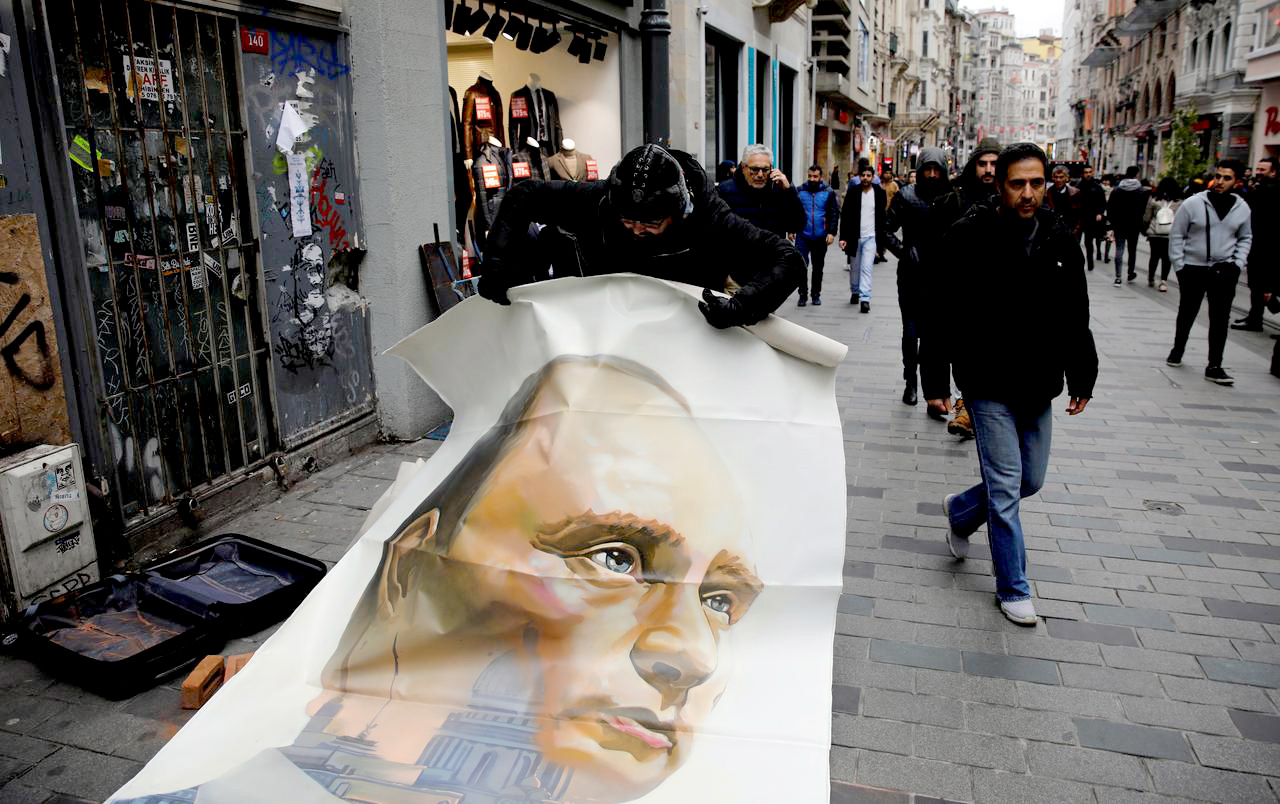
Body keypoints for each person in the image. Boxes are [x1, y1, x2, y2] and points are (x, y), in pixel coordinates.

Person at [922, 143, 1098, 626]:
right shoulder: (969, 235)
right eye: (1017, 183)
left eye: (1036, 183)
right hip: (987, 380)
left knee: (1029, 481)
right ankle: (1013, 587)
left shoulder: (1059, 236)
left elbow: (1075, 313)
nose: (1028, 193)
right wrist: (934, 378)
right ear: (999, 185)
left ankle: (961, 511)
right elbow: (938, 310)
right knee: (1004, 489)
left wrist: (1082, 374)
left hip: (1038, 381)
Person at [477, 143, 802, 329]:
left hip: (682, 333)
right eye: (627, 221)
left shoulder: (711, 217)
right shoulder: (599, 198)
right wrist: (497, 266)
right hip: (608, 325)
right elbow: (525, 195)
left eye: (650, 224)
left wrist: (741, 307)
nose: (636, 230)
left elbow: (788, 259)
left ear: (678, 211)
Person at [1166, 158, 1254, 386]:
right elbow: (1177, 235)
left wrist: (1237, 263)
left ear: (1237, 181)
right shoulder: (1193, 204)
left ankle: (1214, 365)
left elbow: (1245, 237)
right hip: (1193, 268)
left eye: (1227, 178)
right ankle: (1177, 350)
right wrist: (1180, 265)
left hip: (1224, 270)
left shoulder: (1242, 208)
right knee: (1187, 312)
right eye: (1218, 176)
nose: (1221, 182)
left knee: (1220, 318)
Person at [885, 147, 956, 407]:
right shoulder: (906, 195)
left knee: (935, 336)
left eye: (937, 169)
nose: (932, 174)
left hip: (942, 277)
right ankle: (910, 381)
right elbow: (886, 230)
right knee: (911, 331)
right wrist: (904, 251)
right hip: (911, 275)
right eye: (928, 169)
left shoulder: (952, 198)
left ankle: (934, 392)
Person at [716, 144, 806, 238]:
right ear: (743, 167)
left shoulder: (778, 189)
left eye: (765, 170)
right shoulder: (725, 190)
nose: (760, 174)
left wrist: (789, 191)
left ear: (771, 168)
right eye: (754, 169)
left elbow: (797, 226)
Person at [1233, 156, 1277, 332]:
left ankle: (1256, 319)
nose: (1258, 172)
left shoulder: (1269, 190)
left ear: (1273, 172)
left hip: (1265, 244)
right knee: (1257, 284)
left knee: (1260, 284)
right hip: (1259, 243)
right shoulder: (1261, 188)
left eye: (1262, 170)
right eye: (1257, 169)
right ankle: (1254, 317)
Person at [839, 161, 887, 312]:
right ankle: (855, 291)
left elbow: (882, 218)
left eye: (868, 175)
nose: (865, 178)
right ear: (860, 177)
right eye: (863, 175)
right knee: (855, 268)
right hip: (854, 237)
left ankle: (865, 299)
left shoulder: (879, 193)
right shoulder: (853, 192)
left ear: (873, 177)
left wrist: (881, 243)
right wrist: (843, 237)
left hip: (871, 238)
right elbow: (845, 215)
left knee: (867, 268)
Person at [795, 164, 841, 306]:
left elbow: (834, 213)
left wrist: (831, 232)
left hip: (820, 236)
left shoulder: (828, 192)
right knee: (801, 266)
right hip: (803, 235)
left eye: (815, 176)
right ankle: (802, 295)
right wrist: (791, 229)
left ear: (820, 177)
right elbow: (794, 211)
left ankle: (815, 294)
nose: (812, 179)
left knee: (818, 267)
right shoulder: (800, 191)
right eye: (810, 176)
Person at [1107, 165, 1150, 285]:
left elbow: (1110, 208)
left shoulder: (1117, 190)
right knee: (1132, 249)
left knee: (1119, 248)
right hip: (1134, 224)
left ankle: (1118, 276)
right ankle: (1131, 272)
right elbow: (1144, 210)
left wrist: (1112, 223)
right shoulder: (1142, 191)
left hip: (1119, 224)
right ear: (1137, 174)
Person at [1143, 177, 1183, 291]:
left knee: (1154, 256)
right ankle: (1163, 281)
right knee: (1167, 258)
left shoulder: (1154, 199)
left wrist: (1145, 229)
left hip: (1154, 233)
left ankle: (1151, 277)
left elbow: (1147, 216)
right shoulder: (1179, 202)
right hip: (1170, 234)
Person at [1077, 164, 1107, 272]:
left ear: (1092, 172)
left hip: (1090, 218)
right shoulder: (1078, 186)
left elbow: (1102, 201)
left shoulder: (1097, 187)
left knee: (1088, 242)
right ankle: (1076, 263)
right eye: (1086, 172)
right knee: (1076, 242)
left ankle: (1090, 263)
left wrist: (1099, 213)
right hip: (1079, 218)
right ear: (1082, 174)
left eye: (1090, 172)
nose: (1088, 174)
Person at [1045, 164, 1081, 237]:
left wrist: (1076, 230)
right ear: (1053, 178)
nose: (1058, 180)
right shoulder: (1046, 194)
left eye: (1061, 177)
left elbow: (1079, 213)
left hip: (1069, 230)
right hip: (1052, 231)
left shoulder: (1075, 193)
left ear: (1066, 178)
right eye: (1056, 177)